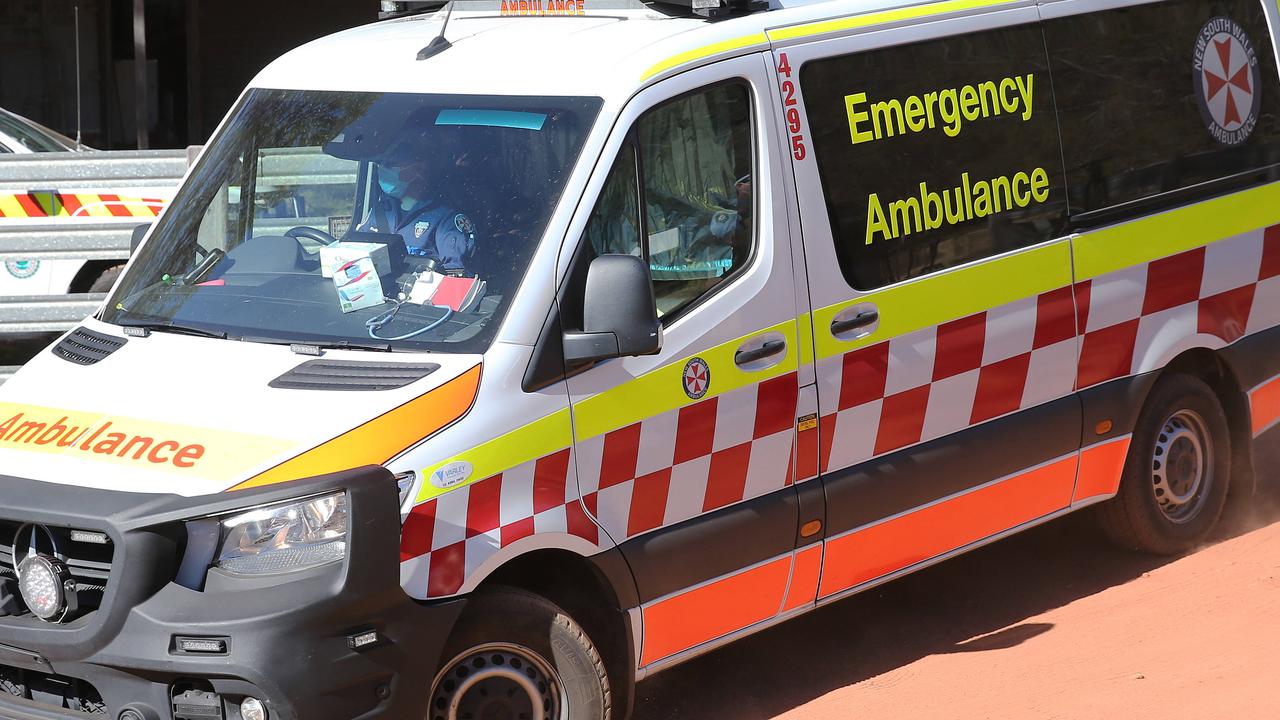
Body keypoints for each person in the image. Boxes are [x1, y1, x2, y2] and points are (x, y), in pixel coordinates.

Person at [357, 140, 478, 274]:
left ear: (419, 170)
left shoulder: (446, 220)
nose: (383, 170)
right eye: (382, 165)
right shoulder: (380, 210)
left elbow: (456, 279)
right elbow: (355, 254)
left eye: (391, 165)